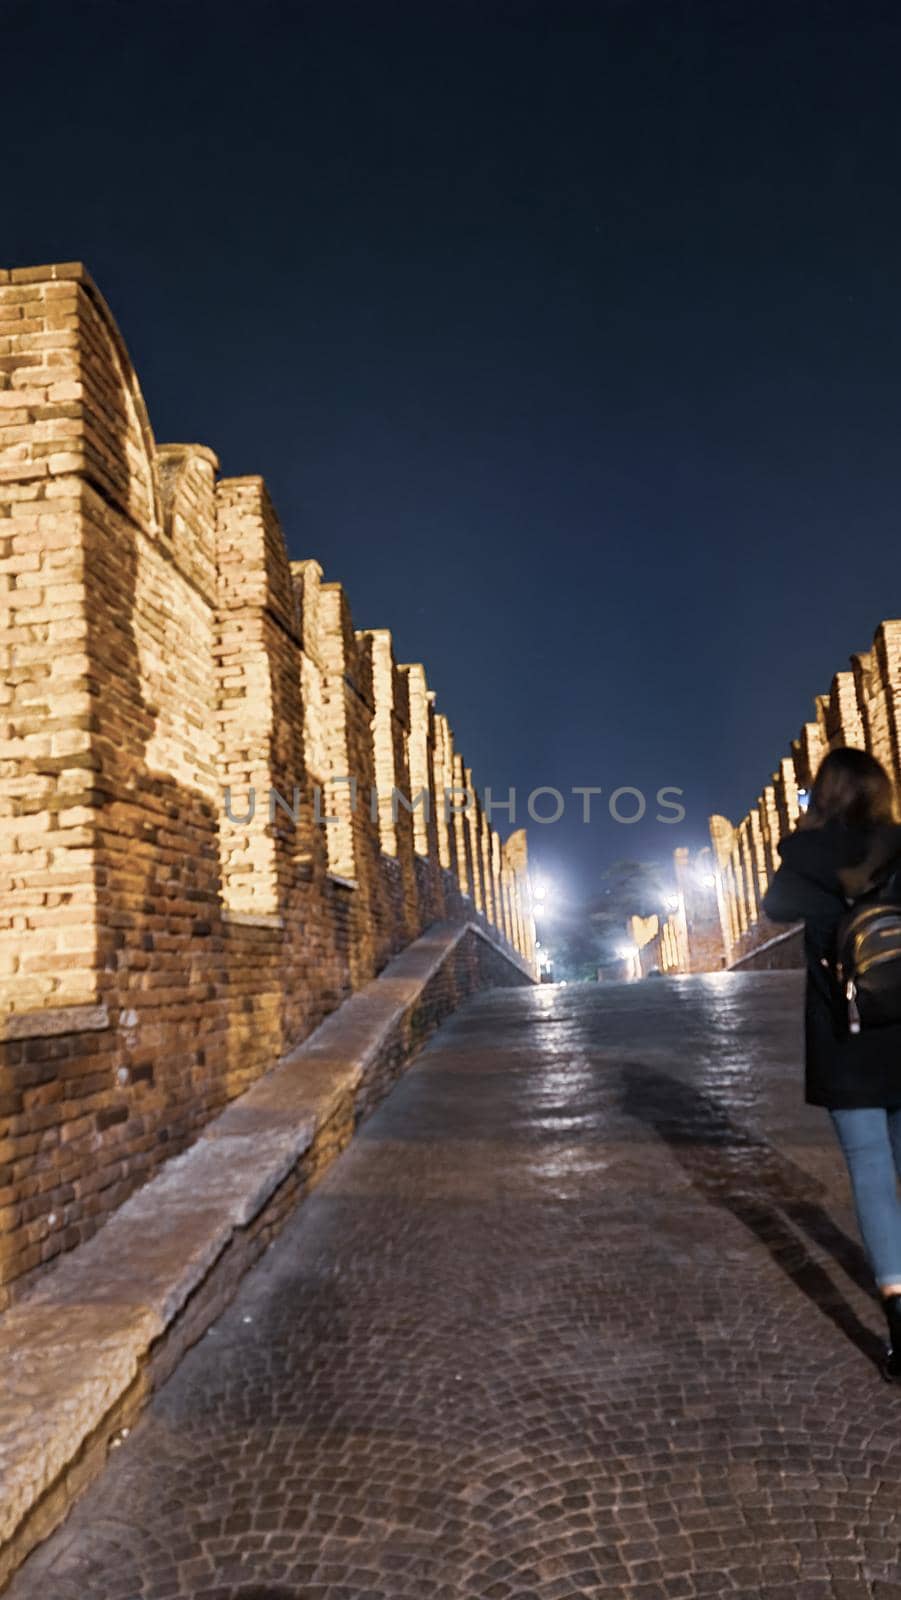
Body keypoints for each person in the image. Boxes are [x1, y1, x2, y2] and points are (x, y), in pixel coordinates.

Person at [762, 746, 901, 1380]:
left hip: (847, 1035)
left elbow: (775, 911)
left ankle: (899, 1319)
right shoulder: (899, 844)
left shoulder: (805, 855)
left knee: (871, 1171)